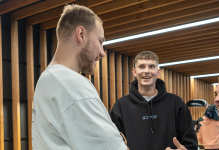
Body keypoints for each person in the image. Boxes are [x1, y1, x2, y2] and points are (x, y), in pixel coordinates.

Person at [32, 4, 128, 150]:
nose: (102, 53)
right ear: (81, 34)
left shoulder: (47, 79)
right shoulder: (70, 83)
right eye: (100, 42)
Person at [110, 51, 198, 150]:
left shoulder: (176, 103)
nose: (146, 71)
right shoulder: (121, 106)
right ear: (134, 72)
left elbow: (192, 144)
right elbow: (112, 143)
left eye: (151, 67)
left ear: (158, 72)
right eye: (142, 66)